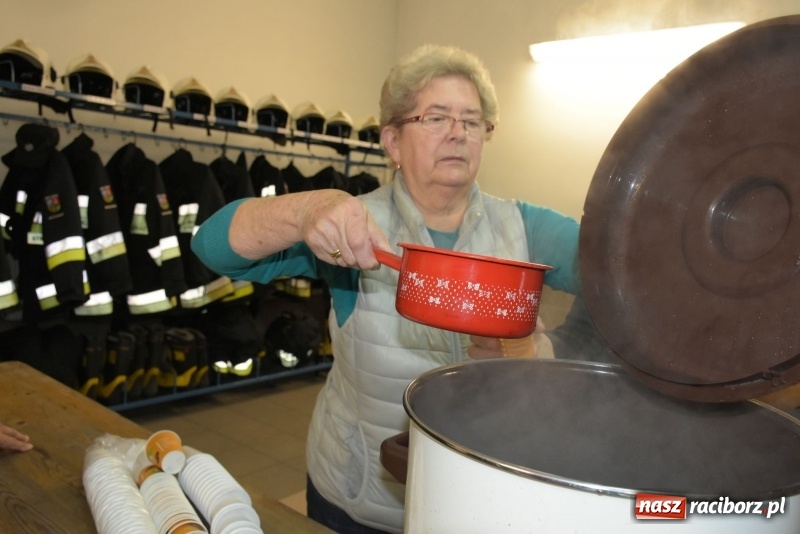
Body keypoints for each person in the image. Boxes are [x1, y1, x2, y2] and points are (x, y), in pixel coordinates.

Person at [192, 44, 602, 533]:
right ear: (392, 141)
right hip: (361, 500)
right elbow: (212, 248)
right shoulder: (351, 228)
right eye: (436, 117)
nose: (458, 132)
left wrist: (546, 349)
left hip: (480, 497)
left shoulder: (525, 227)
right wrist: (303, 213)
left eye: (473, 121)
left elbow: (631, 286)